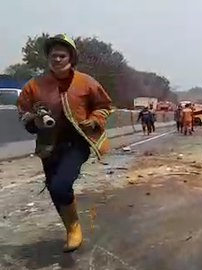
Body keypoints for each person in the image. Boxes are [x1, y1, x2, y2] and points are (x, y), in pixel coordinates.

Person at [17, 34, 112, 252]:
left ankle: (74, 228)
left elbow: (105, 105)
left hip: (77, 143)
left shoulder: (86, 82)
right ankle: (70, 225)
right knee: (54, 189)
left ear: (71, 58)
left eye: (62, 55)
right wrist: (35, 121)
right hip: (48, 146)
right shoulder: (34, 86)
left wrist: (95, 120)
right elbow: (22, 112)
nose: (57, 59)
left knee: (61, 185)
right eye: (53, 56)